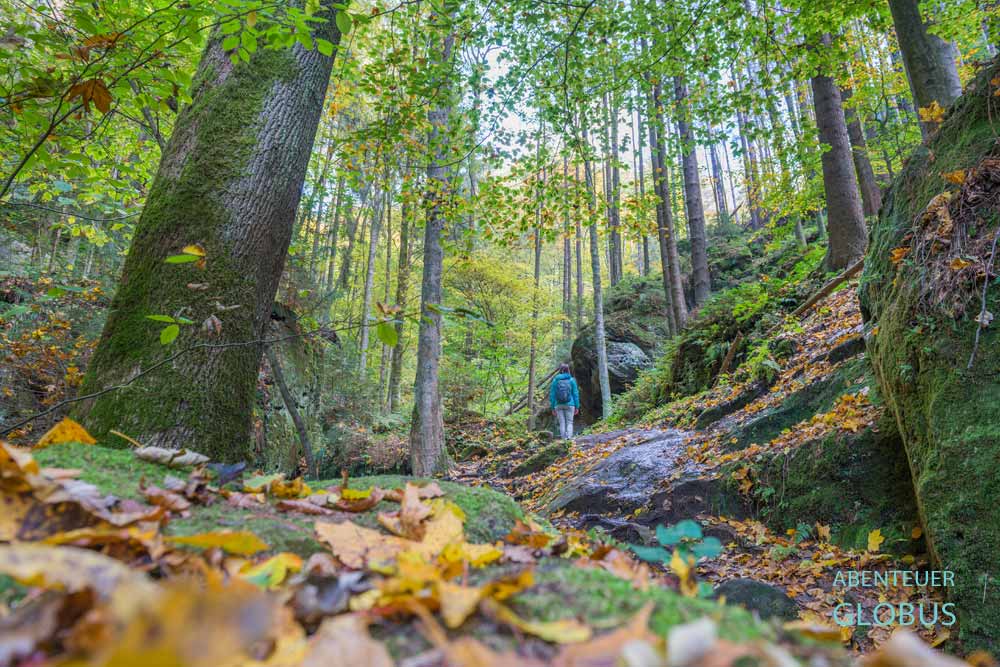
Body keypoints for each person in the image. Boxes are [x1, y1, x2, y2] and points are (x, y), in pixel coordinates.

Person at [549, 363, 580, 440]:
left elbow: (552, 395)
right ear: (568, 370)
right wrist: (577, 406)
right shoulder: (572, 380)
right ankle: (569, 438)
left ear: (560, 370)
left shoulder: (555, 381)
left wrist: (552, 407)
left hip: (558, 404)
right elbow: (575, 394)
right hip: (570, 404)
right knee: (569, 422)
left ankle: (564, 440)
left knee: (562, 423)